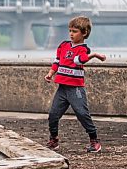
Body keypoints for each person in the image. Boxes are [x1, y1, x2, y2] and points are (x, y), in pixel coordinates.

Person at [44, 16, 106, 153]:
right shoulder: (63, 45)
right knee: (53, 115)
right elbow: (57, 61)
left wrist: (94, 55)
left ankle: (94, 140)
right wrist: (50, 73)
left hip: (75, 88)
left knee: (82, 113)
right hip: (62, 88)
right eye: (70, 31)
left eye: (75, 31)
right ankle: (54, 140)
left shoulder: (84, 49)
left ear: (84, 33)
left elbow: (79, 60)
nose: (71, 34)